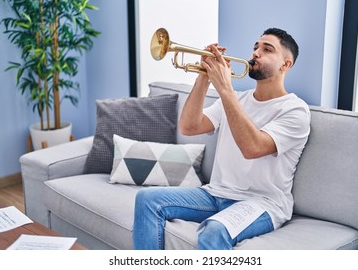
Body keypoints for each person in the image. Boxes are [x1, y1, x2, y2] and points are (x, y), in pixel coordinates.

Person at [133, 28, 311, 250]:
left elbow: (252, 147)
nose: (256, 53)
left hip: (261, 202)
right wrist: (204, 78)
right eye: (255, 47)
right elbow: (189, 126)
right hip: (215, 193)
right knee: (146, 199)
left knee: (214, 230)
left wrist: (225, 89)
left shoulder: (295, 110)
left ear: (285, 64)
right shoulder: (237, 99)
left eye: (267, 49)